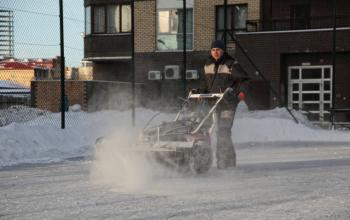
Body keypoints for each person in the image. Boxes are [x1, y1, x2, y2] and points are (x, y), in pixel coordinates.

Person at [200, 39, 251, 169]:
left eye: (218, 50)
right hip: (213, 103)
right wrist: (200, 92)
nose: (216, 52)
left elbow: (245, 81)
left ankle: (226, 163)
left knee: (223, 131)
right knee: (206, 130)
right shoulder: (207, 65)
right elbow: (207, 84)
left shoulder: (231, 64)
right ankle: (206, 159)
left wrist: (241, 93)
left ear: (223, 51)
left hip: (228, 104)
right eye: (213, 50)